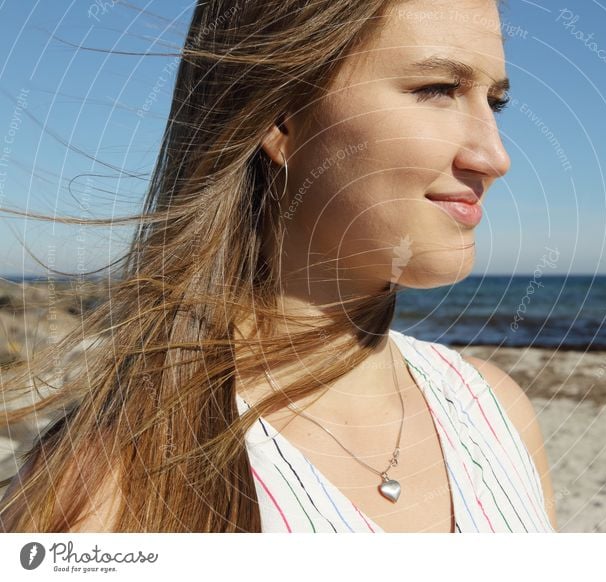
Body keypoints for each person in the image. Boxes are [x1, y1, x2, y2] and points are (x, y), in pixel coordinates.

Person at [0, 0, 557, 532]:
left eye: (495, 101)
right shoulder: (109, 490)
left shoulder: (494, 412)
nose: (494, 156)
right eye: (437, 89)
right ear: (278, 118)